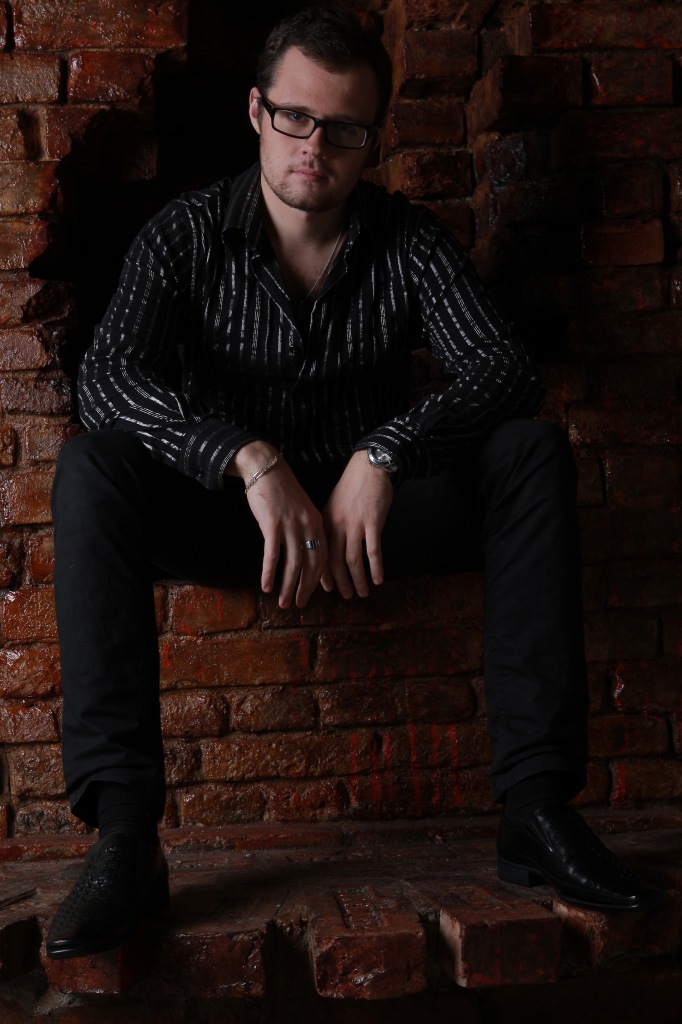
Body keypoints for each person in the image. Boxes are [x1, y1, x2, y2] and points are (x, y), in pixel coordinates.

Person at [46, 8, 664, 961]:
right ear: (257, 112)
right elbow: (108, 379)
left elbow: (504, 369)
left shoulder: (406, 240)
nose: (315, 148)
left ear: (372, 137)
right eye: (296, 117)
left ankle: (536, 813)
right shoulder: (187, 234)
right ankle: (125, 837)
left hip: (370, 525)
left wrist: (387, 452)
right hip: (234, 519)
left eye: (344, 129)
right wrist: (247, 457)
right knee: (91, 467)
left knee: (529, 453)